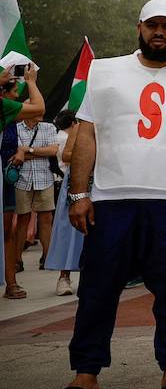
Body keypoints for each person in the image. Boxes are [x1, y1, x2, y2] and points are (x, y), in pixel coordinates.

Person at [38, 0, 166, 389]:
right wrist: (79, 194)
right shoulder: (105, 71)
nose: (159, 32)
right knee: (98, 288)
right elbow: (88, 134)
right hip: (111, 198)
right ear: (139, 27)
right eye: (152, 25)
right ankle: (85, 374)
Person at [3, 62, 45, 299]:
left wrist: (20, 149)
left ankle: (10, 281)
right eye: (13, 87)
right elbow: (39, 107)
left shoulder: (9, 109)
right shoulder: (4, 106)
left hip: (6, 176)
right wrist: (31, 82)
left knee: (7, 230)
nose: (17, 89)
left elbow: (37, 111)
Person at [44, 110, 84, 295]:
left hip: (102, 181)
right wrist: (88, 155)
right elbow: (66, 155)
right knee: (68, 229)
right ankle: (64, 277)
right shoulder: (79, 127)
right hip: (77, 179)